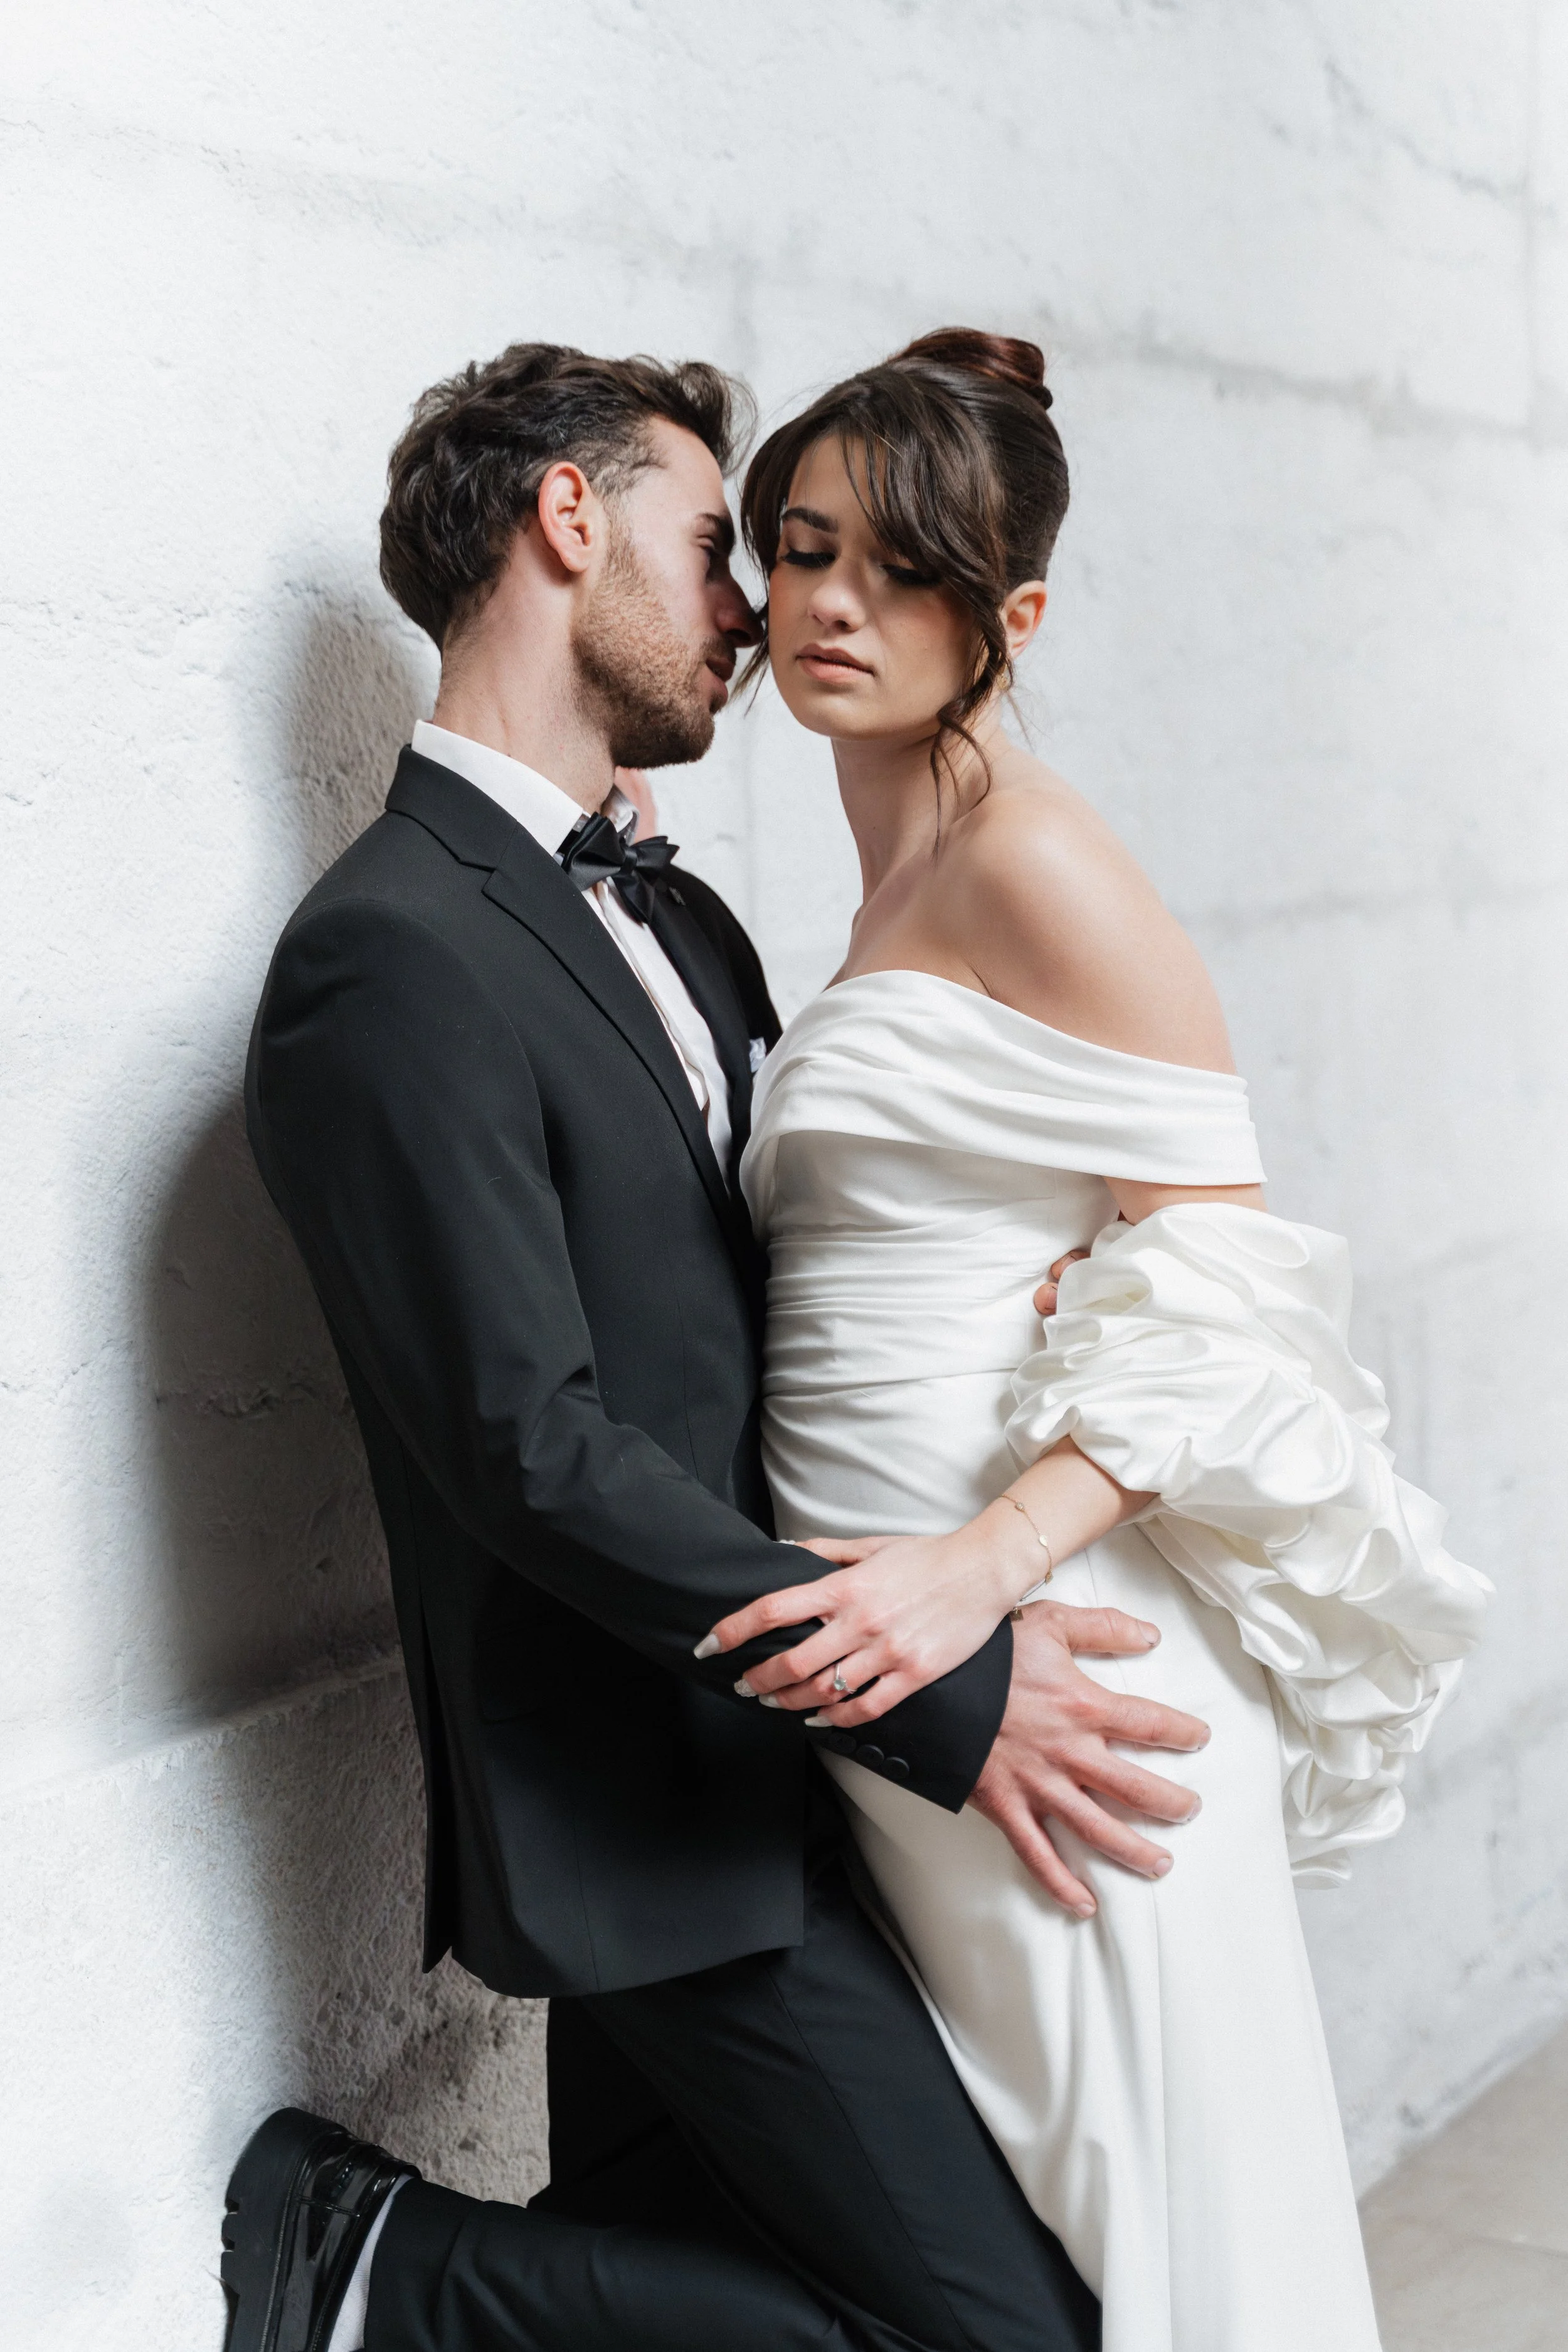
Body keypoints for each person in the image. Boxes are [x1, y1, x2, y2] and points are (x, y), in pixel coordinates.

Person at [223, 341, 1216, 2352]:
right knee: (1010, 2333)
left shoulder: (681, 919)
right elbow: (527, 1446)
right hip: (652, 1801)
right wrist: (941, 1684)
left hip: (798, 1767)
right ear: (565, 521)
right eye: (714, 544)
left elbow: (774, 1285)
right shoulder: (384, 955)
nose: (756, 610)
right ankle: (383, 2267)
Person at [700, 329, 1493, 2352]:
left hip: (1034, 1663)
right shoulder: (891, 884)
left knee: (1172, 2257)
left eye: (905, 572)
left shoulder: (1028, 858)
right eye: (806, 547)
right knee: (1038, 2258)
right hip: (907, 1676)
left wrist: (976, 1573)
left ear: (1015, 619)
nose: (834, 605)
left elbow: (1232, 1295)